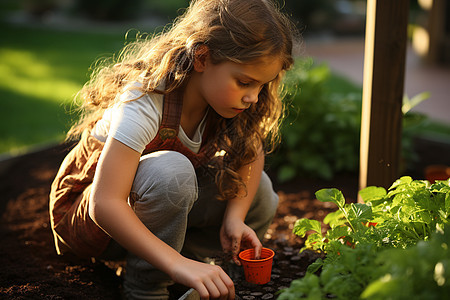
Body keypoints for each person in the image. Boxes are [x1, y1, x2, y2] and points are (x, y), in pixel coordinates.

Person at [49, 0, 296, 298]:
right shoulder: (145, 100)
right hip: (93, 225)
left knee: (258, 193)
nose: (253, 98)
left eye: (261, 87)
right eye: (244, 82)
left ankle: (201, 268)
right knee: (172, 171)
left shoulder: (224, 101)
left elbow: (251, 152)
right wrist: (175, 263)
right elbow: (105, 204)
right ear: (202, 58)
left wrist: (235, 218)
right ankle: (147, 288)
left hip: (156, 217)